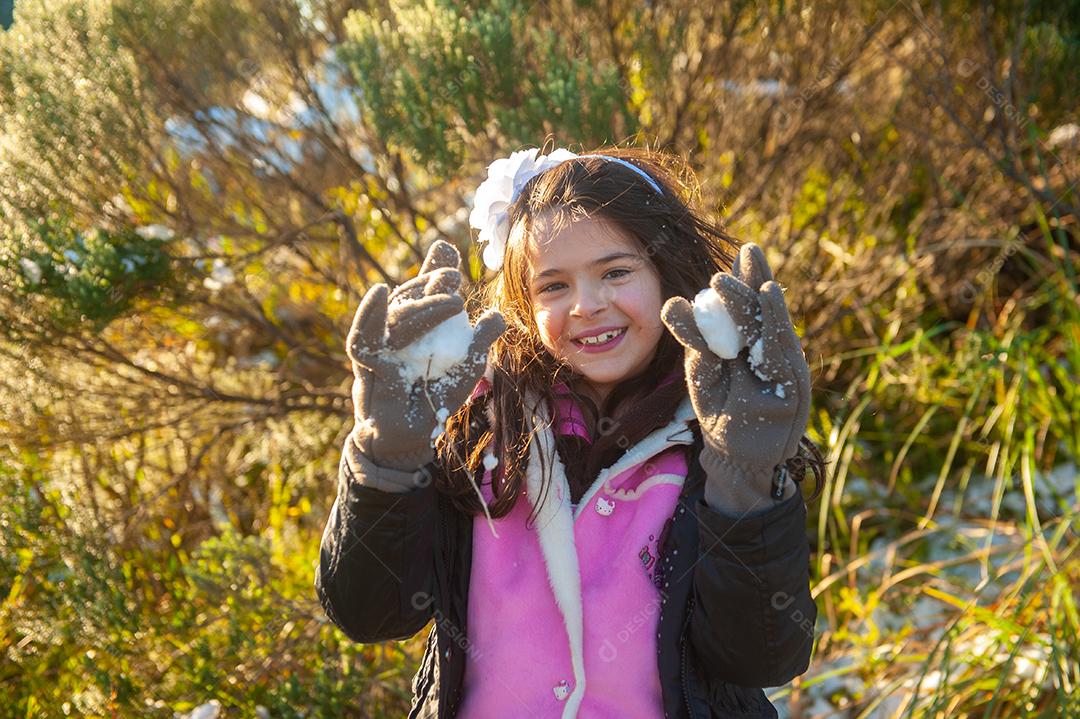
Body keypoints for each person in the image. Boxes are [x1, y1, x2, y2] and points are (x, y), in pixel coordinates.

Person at [316, 144, 824, 719]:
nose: (586, 304)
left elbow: (761, 658)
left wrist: (744, 477)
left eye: (616, 272)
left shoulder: (716, 435)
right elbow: (370, 613)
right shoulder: (478, 426)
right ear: (520, 303)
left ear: (668, 271)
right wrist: (388, 456)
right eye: (553, 286)